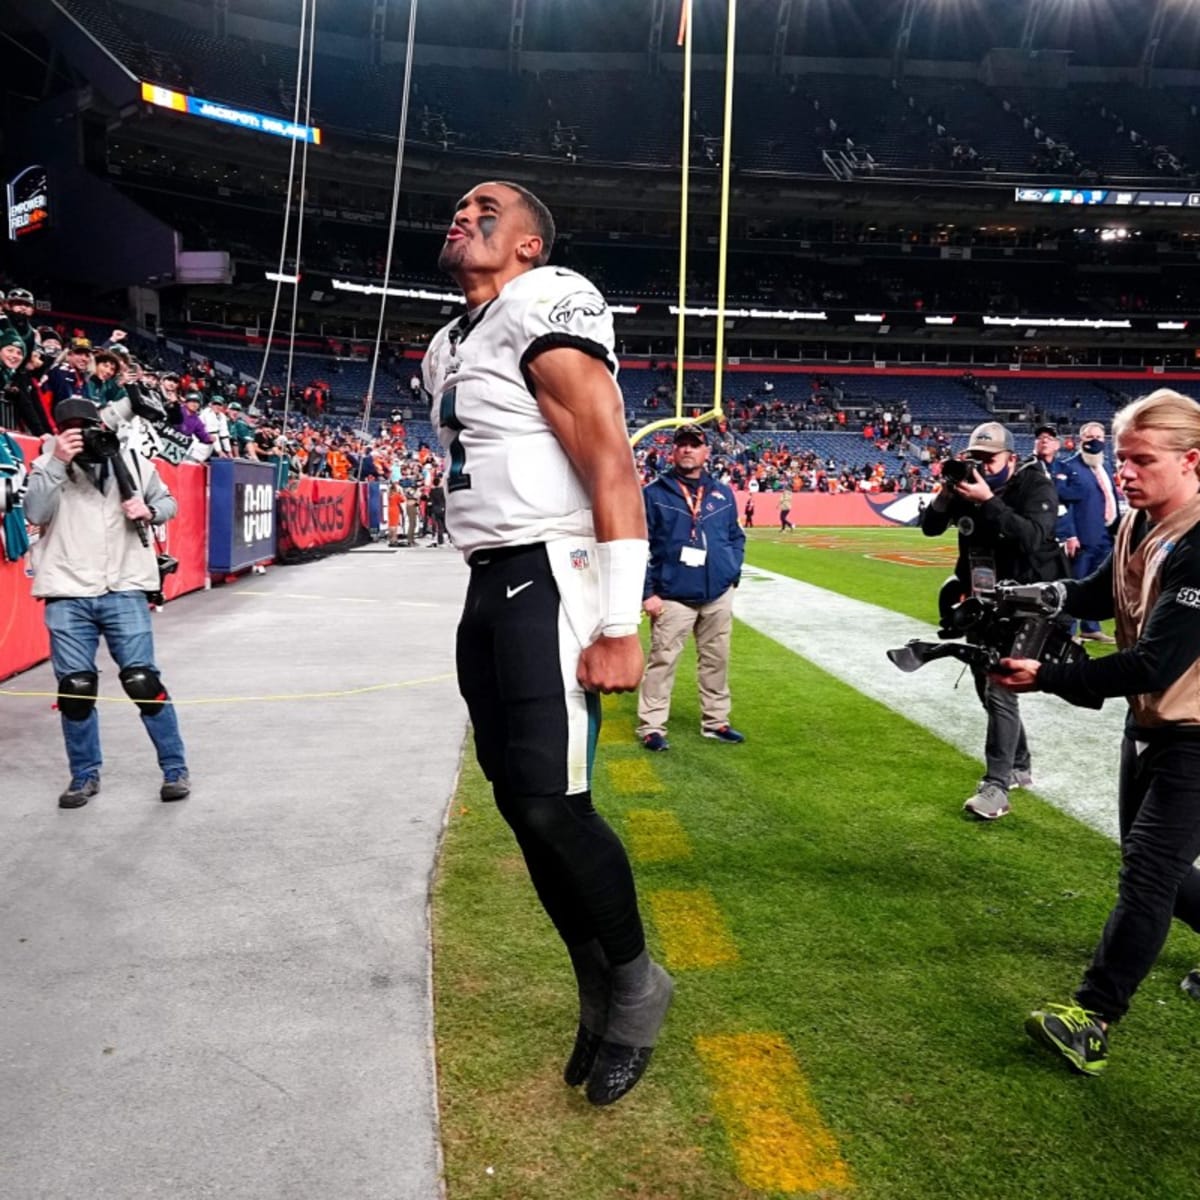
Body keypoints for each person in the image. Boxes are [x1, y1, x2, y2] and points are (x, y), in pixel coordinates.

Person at [423, 179, 672, 1107]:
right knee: (524, 808)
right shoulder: (450, 342)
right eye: (457, 206)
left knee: (554, 804)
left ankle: (640, 987)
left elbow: (611, 459)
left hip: (549, 573)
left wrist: (617, 620)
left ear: (529, 245)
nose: (462, 213)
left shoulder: (546, 301)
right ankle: (598, 981)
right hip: (489, 581)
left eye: (485, 207)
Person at [993, 389, 1200, 1075]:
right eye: (1122, 459)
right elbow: (1099, 593)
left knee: (1146, 875)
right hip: (1150, 722)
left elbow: (1155, 660)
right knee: (1156, 874)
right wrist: (1033, 596)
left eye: (1143, 460)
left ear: (1192, 461)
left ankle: (1094, 1017)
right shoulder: (1139, 524)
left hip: (1195, 733)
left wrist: (1046, 677)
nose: (1127, 473)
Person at [23, 397, 191, 808]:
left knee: (142, 682)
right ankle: (84, 775)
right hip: (67, 591)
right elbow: (35, 510)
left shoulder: (131, 460)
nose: (83, 436)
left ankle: (175, 768)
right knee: (76, 690)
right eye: (72, 429)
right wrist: (57, 461)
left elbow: (169, 503)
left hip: (124, 586)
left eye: (88, 426)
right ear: (61, 432)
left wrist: (149, 510)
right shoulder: (47, 465)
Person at [920, 421, 1067, 820]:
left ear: (1012, 458)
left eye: (990, 459)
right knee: (985, 687)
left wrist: (988, 500)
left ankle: (996, 786)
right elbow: (930, 528)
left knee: (999, 685)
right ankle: (1019, 764)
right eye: (976, 459)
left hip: (1026, 600)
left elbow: (1033, 537)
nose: (982, 466)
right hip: (982, 597)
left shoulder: (1034, 485)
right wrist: (946, 496)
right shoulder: (967, 486)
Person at [637, 424, 746, 752]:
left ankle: (716, 721)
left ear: (706, 452)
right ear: (673, 451)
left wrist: (732, 571)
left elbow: (735, 535)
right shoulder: (654, 493)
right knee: (662, 661)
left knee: (717, 660)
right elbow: (639, 545)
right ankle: (652, 726)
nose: (687, 450)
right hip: (672, 596)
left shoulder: (721, 493)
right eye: (681, 444)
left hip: (717, 593)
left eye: (694, 445)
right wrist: (648, 593)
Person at [1056, 420, 1121, 642]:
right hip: (1082, 537)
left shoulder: (1106, 466)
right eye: (1089, 437)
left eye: (1099, 437)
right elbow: (1063, 505)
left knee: (1100, 585)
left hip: (1105, 535)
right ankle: (1069, 631)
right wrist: (1069, 535)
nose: (1094, 441)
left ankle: (1091, 627)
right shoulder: (1068, 466)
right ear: (1080, 439)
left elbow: (1110, 496)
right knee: (1077, 582)